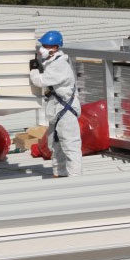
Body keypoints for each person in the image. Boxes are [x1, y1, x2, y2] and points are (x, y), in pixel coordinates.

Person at [29, 30, 82, 177]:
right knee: (56, 144)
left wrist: (33, 70)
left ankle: (75, 178)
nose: (42, 49)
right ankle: (59, 173)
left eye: (46, 46)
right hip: (57, 109)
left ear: (55, 48)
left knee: (70, 145)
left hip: (65, 110)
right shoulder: (52, 62)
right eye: (43, 45)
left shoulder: (60, 64)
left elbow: (41, 81)